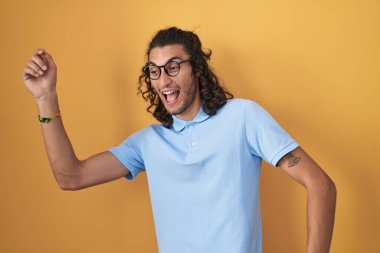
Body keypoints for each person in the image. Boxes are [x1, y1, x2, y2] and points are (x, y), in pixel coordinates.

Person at [22, 27, 336, 253]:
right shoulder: (148, 143)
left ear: (197, 69)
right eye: (154, 71)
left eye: (173, 67)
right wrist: (46, 97)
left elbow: (320, 185)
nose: (164, 80)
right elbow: (70, 177)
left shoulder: (243, 118)